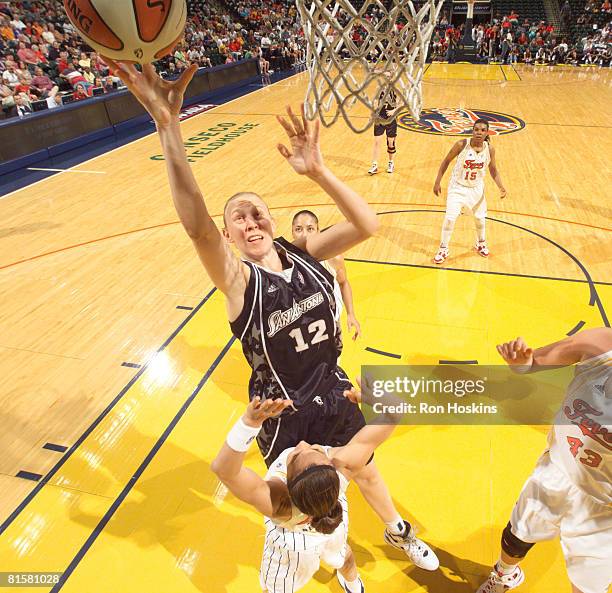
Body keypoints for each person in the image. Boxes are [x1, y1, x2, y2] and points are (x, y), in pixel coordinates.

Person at [105, 57, 438, 569]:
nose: (250, 219)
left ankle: (396, 531)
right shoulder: (240, 283)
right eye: (237, 217)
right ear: (231, 235)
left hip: (334, 387)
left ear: (273, 218)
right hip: (282, 414)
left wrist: (320, 171)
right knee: (298, 510)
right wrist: (168, 128)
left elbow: (367, 223)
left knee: (367, 471)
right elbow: (197, 228)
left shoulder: (307, 250)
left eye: (257, 210)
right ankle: (336, 556)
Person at [211, 376, 417, 593]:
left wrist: (248, 424)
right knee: (344, 556)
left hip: (290, 547)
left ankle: (351, 581)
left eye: (301, 452)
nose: (302, 443)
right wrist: (376, 399)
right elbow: (396, 413)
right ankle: (352, 582)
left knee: (277, 588)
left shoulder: (279, 502)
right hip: (325, 529)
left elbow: (224, 470)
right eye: (312, 449)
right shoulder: (341, 465)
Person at [477, 328, 612, 593]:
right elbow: (530, 363)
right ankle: (505, 575)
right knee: (515, 539)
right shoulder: (601, 344)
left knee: (587, 588)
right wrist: (522, 363)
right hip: (556, 471)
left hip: (604, 508)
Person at [432, 119, 507, 264]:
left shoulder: (490, 149)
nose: (479, 132)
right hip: (457, 188)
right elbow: (446, 161)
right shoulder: (461, 144)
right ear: (472, 131)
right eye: (476, 129)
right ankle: (443, 248)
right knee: (449, 219)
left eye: (482, 130)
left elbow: (493, 169)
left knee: (480, 219)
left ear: (487, 133)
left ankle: (481, 243)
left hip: (476, 189)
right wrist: (437, 181)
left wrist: (501, 186)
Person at [291, 210, 361, 340]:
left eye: (310, 229)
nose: (304, 234)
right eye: (298, 229)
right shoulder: (285, 259)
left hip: (330, 322)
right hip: (300, 327)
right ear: (292, 232)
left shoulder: (334, 258)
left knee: (334, 359)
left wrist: (351, 314)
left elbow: (343, 283)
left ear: (318, 231)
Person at [368, 73, 401, 175]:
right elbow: (375, 102)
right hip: (380, 118)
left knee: (390, 143)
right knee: (377, 142)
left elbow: (403, 103)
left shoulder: (395, 89)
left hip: (391, 119)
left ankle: (391, 162)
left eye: (388, 76)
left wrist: (394, 111)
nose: (385, 78)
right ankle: (374, 165)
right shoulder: (379, 88)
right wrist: (372, 114)